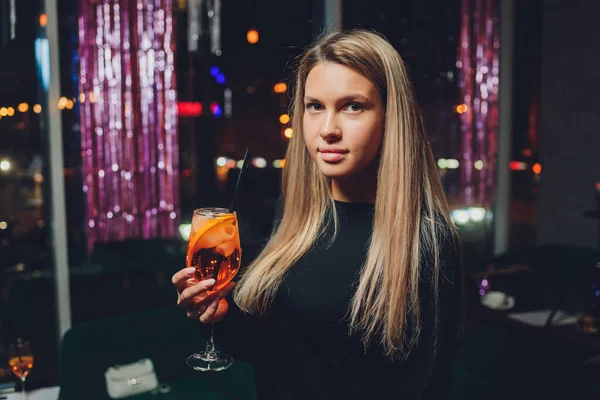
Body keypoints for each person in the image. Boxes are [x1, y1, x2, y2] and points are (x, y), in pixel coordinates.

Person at [172, 29, 462, 399]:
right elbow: (275, 354)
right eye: (315, 106)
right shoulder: (297, 215)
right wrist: (219, 316)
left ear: (391, 118)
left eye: (353, 106)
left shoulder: (428, 241)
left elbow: (428, 389)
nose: (328, 130)